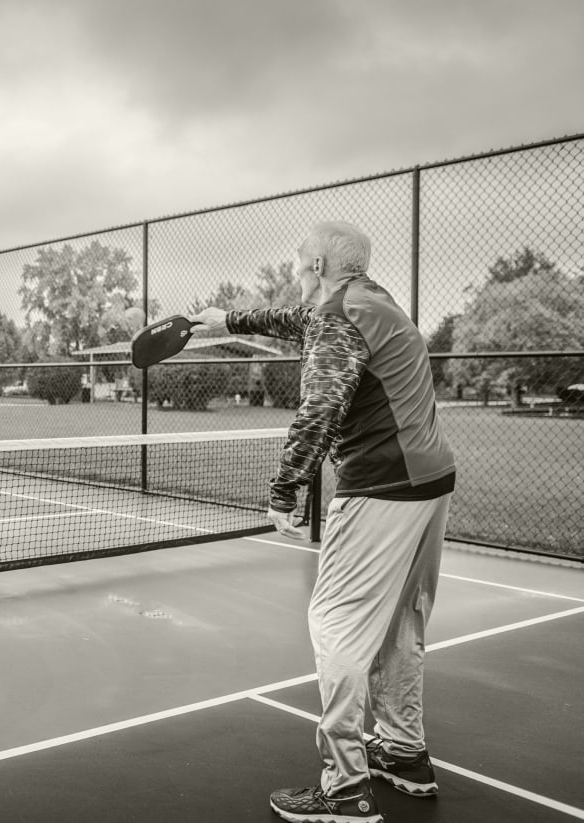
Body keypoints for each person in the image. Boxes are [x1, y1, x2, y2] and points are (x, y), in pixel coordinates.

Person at [191, 221, 455, 823]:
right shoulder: (372, 302)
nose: (295, 273)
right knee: (400, 624)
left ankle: (344, 789)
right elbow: (296, 320)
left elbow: (322, 405)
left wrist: (286, 490)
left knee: (336, 624)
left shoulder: (339, 318)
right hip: (430, 483)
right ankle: (404, 753)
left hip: (382, 486)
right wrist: (226, 321)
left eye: (298, 262)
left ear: (315, 263)